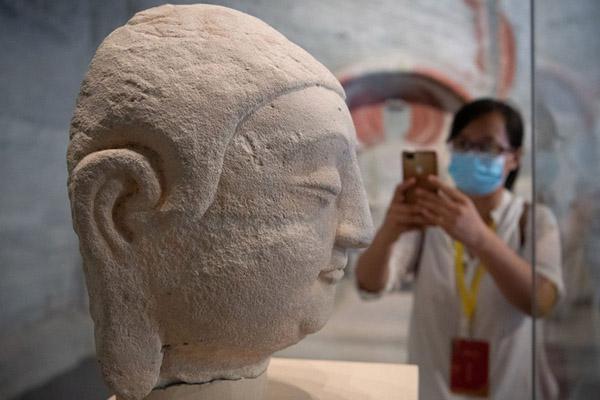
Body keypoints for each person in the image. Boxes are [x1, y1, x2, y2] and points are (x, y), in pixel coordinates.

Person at [356, 98, 564, 399]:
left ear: (515, 158)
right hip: (433, 390)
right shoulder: (430, 217)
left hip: (509, 389)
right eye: (463, 144)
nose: (472, 154)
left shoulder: (534, 220)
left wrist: (479, 237)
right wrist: (389, 230)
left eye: (487, 146)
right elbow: (369, 284)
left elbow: (541, 302)